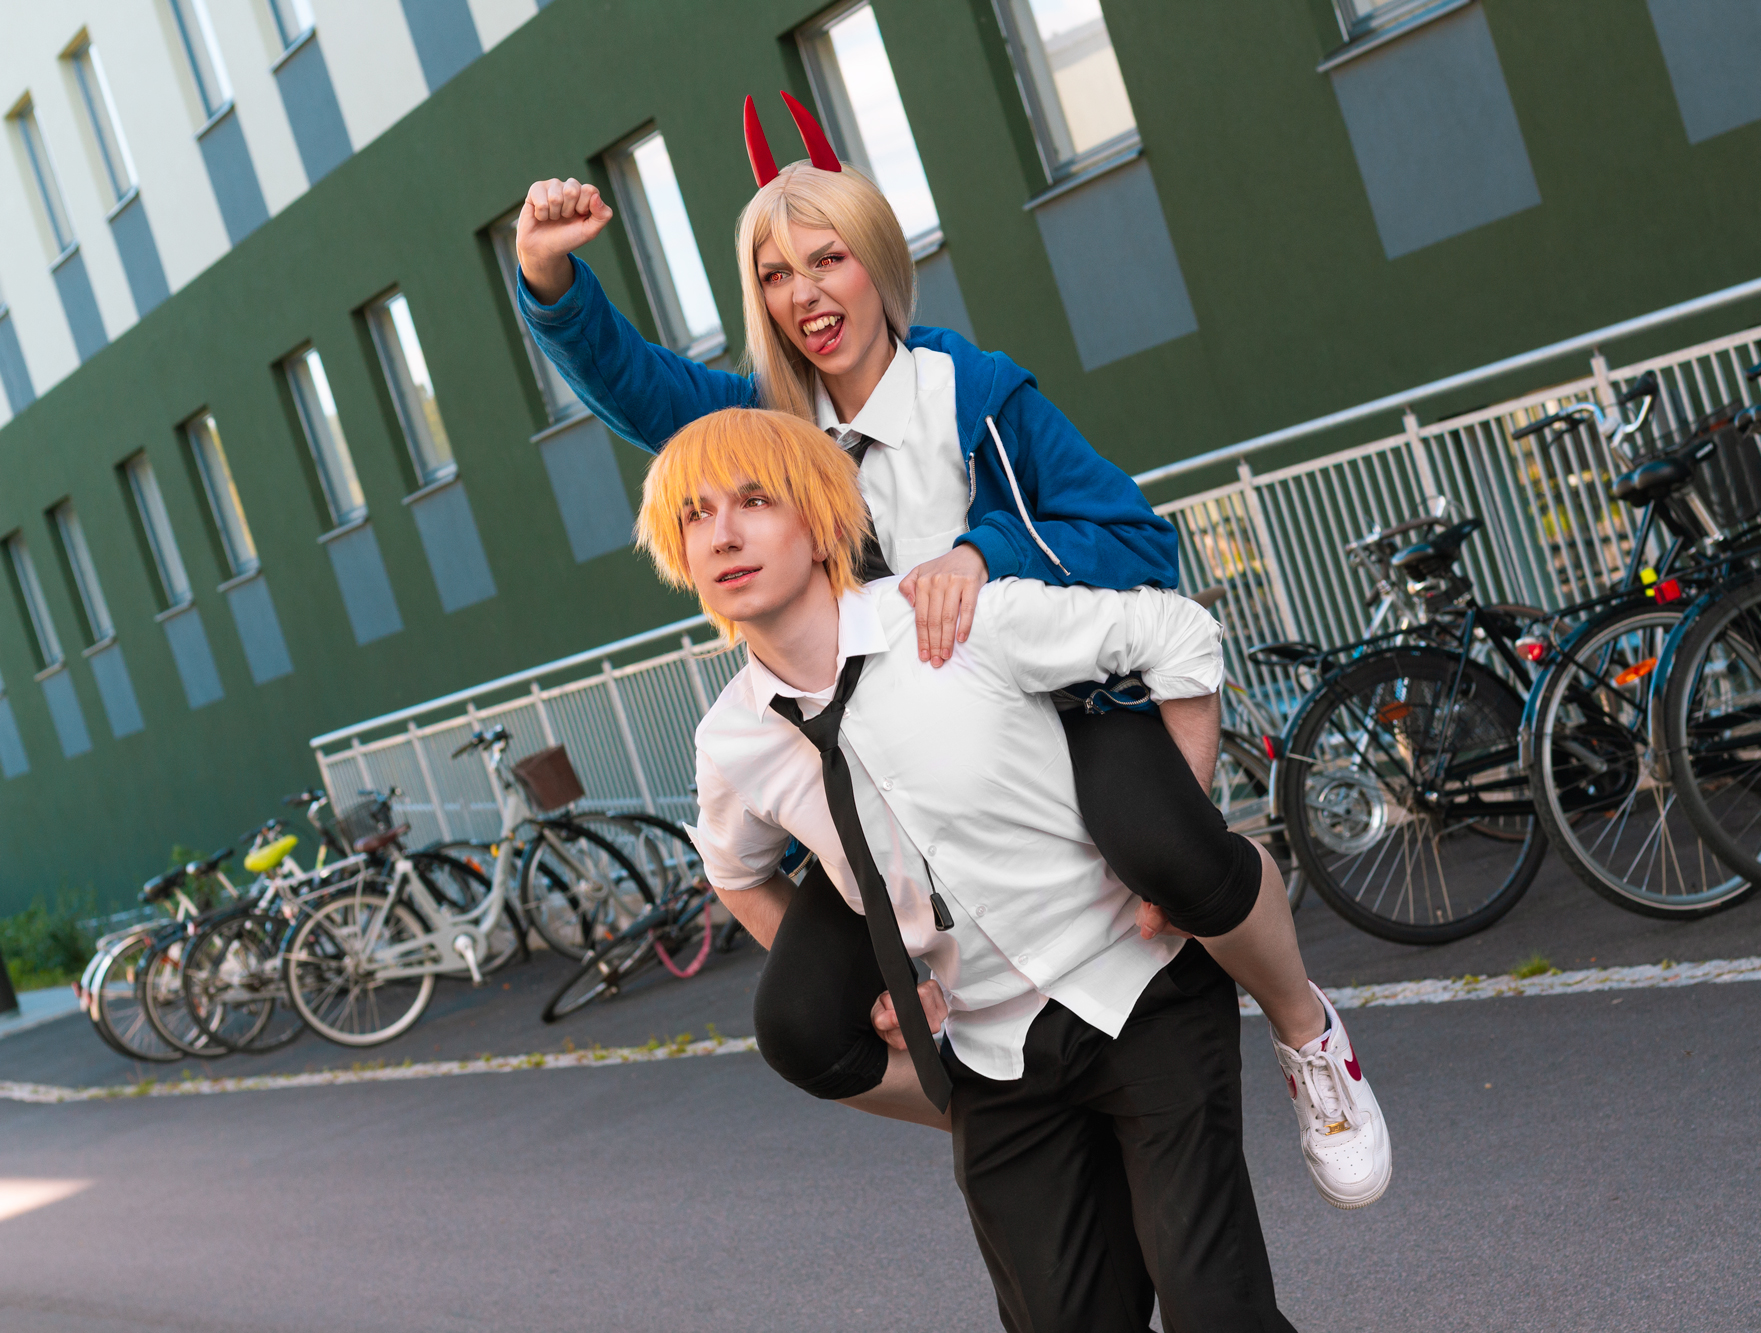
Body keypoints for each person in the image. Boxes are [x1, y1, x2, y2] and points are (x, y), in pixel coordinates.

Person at [514, 94, 1387, 1207]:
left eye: (826, 258)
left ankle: (1310, 1036)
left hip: (1048, 712)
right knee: (801, 1020)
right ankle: (1015, 1110)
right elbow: (637, 387)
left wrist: (983, 550)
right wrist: (550, 278)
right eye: (777, 273)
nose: (806, 293)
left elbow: (1134, 539)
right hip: (878, 765)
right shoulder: (770, 427)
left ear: (877, 260)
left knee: (1171, 852)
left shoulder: (975, 395)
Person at [649, 405, 1347, 1329]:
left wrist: (1171, 841)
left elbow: (1178, 638)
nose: (724, 533)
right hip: (990, 1059)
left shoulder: (946, 618)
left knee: (1216, 1311)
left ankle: (1307, 1023)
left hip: (1138, 990)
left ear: (817, 520)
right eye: (695, 516)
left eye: (754, 499)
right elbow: (735, 869)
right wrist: (879, 976)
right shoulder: (733, 739)